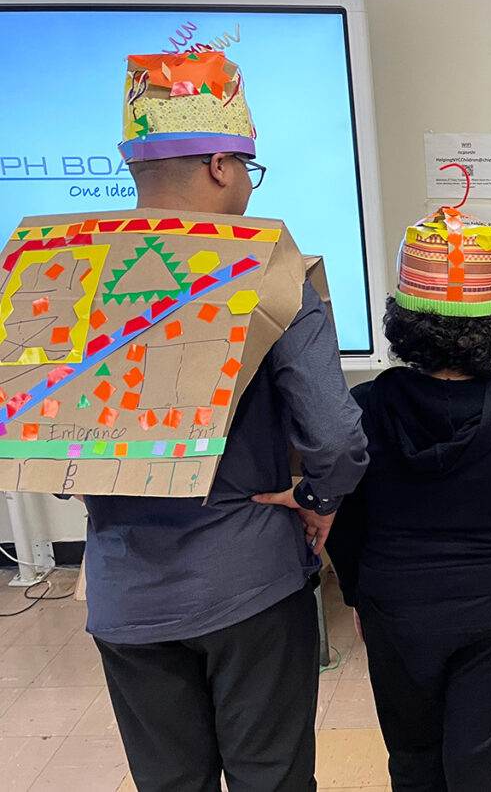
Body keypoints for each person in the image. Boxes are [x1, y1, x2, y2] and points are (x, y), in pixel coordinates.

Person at [86, 51, 369, 791]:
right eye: (250, 168)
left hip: (123, 595)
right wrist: (319, 501)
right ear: (220, 164)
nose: (249, 183)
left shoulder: (68, 274)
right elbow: (335, 437)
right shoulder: (269, 268)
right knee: (271, 777)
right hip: (247, 581)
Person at [325, 207, 491, 791]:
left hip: (394, 607)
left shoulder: (364, 410)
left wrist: (354, 591)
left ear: (402, 318)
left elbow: (343, 520)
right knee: (484, 761)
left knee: (412, 757)